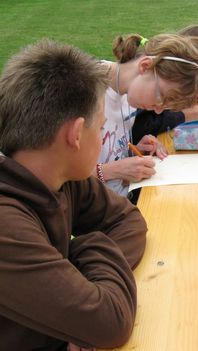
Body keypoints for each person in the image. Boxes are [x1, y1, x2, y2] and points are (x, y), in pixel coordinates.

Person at [0, 40, 147, 350]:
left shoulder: (59, 174)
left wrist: (76, 276)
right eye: (101, 126)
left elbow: (128, 220)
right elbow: (109, 325)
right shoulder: (6, 224)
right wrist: (90, 244)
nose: (102, 135)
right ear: (76, 134)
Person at [97, 33, 198, 198]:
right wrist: (111, 171)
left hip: (119, 203)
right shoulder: (86, 92)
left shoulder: (127, 94)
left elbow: (104, 155)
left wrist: (135, 151)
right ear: (145, 66)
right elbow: (51, 174)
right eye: (160, 98)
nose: (158, 111)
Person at [132, 35, 198, 143]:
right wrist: (180, 116)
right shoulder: (132, 96)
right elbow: (139, 128)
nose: (196, 94)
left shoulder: (143, 89)